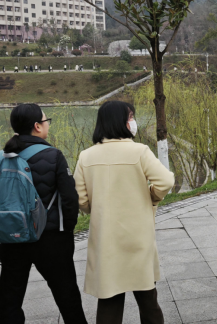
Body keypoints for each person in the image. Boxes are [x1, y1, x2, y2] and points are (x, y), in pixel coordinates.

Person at [74, 101, 174, 324]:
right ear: (120, 121)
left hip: (105, 239)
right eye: (130, 117)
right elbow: (166, 181)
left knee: (109, 300)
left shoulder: (86, 156)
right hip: (138, 237)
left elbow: (81, 200)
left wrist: (97, 208)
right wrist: (151, 197)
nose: (133, 121)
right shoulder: (139, 151)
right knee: (147, 298)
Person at [0, 104, 87, 324]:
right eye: (46, 121)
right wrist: (67, 231)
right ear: (37, 126)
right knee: (67, 297)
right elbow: (69, 199)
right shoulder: (53, 155)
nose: (48, 125)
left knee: (9, 301)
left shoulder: (4, 157)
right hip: (50, 239)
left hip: (12, 238)